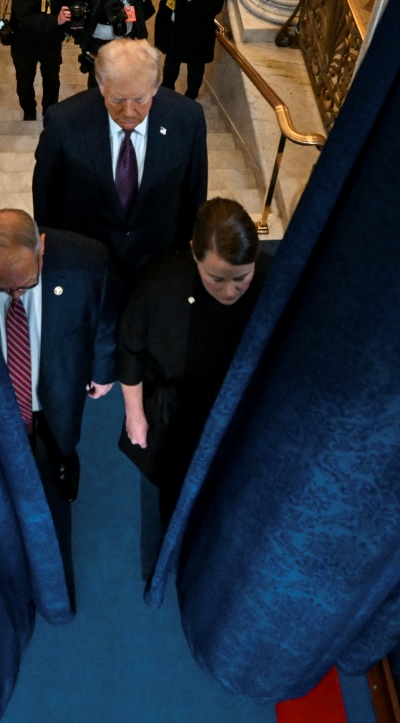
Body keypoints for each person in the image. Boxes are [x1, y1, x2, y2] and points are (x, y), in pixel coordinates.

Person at [117, 198, 268, 577]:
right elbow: (131, 351)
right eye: (217, 278)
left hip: (239, 401)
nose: (231, 291)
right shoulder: (159, 284)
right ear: (194, 254)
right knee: (177, 487)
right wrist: (135, 414)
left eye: (241, 278)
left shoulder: (271, 276)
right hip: (177, 407)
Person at [0, 208, 118, 604]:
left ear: (41, 247)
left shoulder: (88, 260)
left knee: (63, 436)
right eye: (4, 289)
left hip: (58, 385)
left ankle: (64, 463)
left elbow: (104, 320)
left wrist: (104, 370)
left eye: (26, 283)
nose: (16, 294)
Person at [33, 38, 207, 288]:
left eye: (139, 100)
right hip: (86, 268)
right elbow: (46, 197)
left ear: (156, 86)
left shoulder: (188, 120)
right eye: (117, 99)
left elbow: (194, 195)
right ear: (101, 85)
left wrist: (185, 262)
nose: (128, 112)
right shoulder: (63, 122)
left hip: (158, 267)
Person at [8, 0, 75, 120]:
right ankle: (29, 112)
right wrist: (56, 20)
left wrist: (71, 22)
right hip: (24, 43)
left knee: (52, 79)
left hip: (51, 42)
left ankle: (50, 112)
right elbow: (25, 18)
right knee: (24, 81)